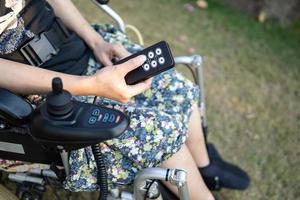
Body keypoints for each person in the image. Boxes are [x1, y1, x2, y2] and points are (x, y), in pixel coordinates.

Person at [0, 0, 249, 199]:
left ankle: (205, 167)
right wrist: (89, 85)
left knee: (175, 87)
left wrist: (96, 42)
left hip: (73, 46)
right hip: (41, 91)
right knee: (160, 133)